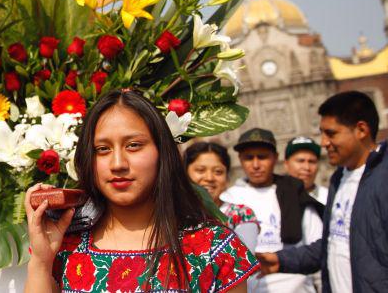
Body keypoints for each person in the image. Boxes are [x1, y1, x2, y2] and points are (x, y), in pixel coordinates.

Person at [24, 89, 258, 292]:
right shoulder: (66, 247)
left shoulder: (215, 247)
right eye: (102, 149)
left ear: (161, 151)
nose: (118, 163)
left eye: (133, 145)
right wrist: (42, 262)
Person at [257, 91, 388, 292]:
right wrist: (280, 260)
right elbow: (334, 244)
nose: (323, 142)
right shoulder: (340, 178)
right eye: (322, 133)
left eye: (331, 133)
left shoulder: (382, 178)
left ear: (361, 130)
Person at [222, 128, 324, 292]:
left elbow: (318, 243)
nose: (256, 165)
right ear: (240, 160)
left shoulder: (294, 193)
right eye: (249, 158)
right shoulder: (229, 199)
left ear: (275, 158)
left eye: (262, 157)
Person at [184, 142, 260, 251]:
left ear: (227, 177)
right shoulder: (172, 216)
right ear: (184, 175)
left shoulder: (241, 215)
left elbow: (245, 260)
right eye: (200, 170)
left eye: (218, 172)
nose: (209, 178)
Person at [283, 136, 328, 204]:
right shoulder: (274, 199)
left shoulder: (329, 198)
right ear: (286, 164)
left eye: (312, 161)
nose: (307, 167)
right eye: (300, 161)